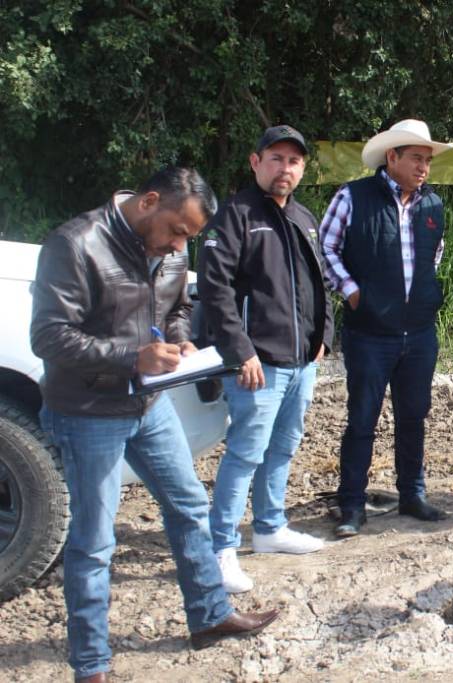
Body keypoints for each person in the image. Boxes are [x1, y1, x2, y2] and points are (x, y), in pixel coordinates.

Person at [31, 167, 279, 682]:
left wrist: (181, 337)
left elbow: (177, 307)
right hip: (88, 411)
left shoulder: (171, 246)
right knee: (94, 542)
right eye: (175, 231)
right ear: (148, 201)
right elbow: (49, 337)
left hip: (148, 406)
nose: (177, 245)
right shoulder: (75, 245)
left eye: (186, 237)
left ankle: (209, 616)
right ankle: (92, 665)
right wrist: (132, 358)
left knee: (189, 504)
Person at [197, 125, 334, 593]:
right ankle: (222, 549)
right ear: (255, 162)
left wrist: (324, 335)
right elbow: (215, 293)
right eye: (275, 159)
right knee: (246, 453)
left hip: (302, 362)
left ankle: (271, 528)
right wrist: (241, 352)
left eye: (294, 161)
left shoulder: (304, 218)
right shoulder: (234, 216)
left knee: (284, 446)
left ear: (302, 169)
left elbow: (321, 282)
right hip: (258, 364)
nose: (285, 168)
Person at [319, 119, 453, 538]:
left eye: (428, 160)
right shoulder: (353, 196)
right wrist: (353, 292)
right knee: (362, 418)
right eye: (416, 158)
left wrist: (423, 292)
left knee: (414, 415)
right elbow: (325, 247)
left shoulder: (432, 205)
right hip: (369, 332)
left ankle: (412, 494)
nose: (424, 167)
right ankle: (352, 505)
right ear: (391, 157)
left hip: (418, 332)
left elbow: (435, 251)